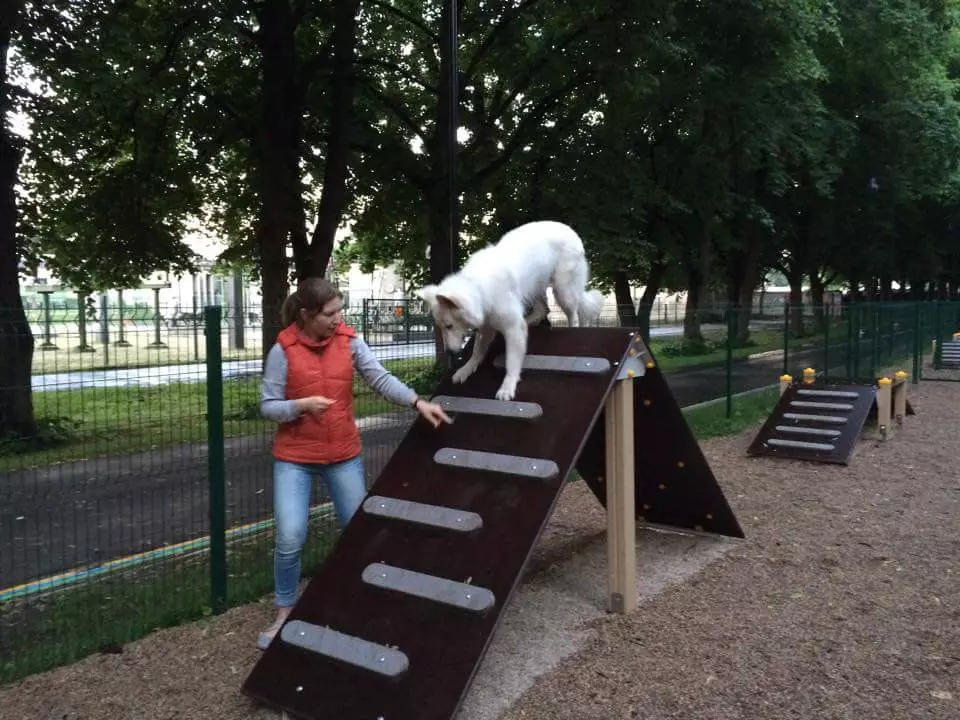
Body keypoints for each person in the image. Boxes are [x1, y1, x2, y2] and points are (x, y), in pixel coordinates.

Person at [256, 277, 453, 649]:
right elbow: (267, 406)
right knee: (291, 536)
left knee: (358, 532)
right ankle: (284, 612)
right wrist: (299, 406)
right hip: (295, 460)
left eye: (340, 310)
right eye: (330, 313)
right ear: (307, 315)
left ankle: (363, 600)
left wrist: (417, 402)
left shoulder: (349, 341)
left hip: (343, 454)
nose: (338, 318)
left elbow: (379, 378)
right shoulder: (283, 349)